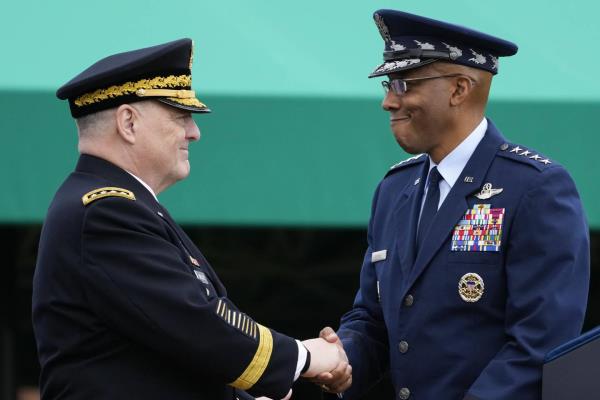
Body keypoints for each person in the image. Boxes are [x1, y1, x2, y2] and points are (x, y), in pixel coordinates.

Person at [32, 38, 350, 400]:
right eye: (179, 116)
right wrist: (304, 356)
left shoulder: (120, 206)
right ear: (128, 122)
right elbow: (194, 321)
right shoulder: (106, 211)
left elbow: (165, 349)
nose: (194, 132)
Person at [314, 9, 590, 400]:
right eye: (388, 86)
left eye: (404, 83)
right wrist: (342, 359)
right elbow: (373, 319)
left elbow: (540, 343)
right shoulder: (395, 189)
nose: (389, 102)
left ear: (459, 89)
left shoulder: (535, 188)